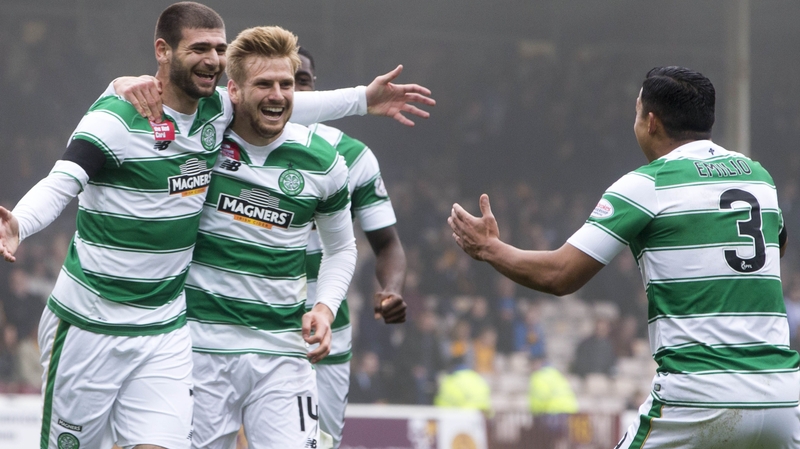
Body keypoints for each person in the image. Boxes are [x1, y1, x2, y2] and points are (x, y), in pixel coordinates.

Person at [0, 3, 433, 448]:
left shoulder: (222, 117)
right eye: (199, 48)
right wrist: (20, 224)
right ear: (163, 51)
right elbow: (63, 180)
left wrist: (362, 99)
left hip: (170, 330)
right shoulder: (120, 118)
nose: (211, 58)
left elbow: (280, 100)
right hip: (95, 323)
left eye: (218, 49)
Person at [449, 66, 800, 448]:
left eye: (636, 113)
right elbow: (774, 248)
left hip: (699, 398)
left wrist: (490, 249)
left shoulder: (645, 185)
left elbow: (560, 275)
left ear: (651, 122)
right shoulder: (758, 177)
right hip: (781, 397)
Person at [184, 26, 356, 449]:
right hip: (199, 347)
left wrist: (326, 308)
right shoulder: (201, 141)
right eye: (263, 84)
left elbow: (342, 248)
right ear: (234, 91)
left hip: (283, 351)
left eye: (285, 83)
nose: (277, 94)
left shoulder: (323, 162)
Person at [295, 45, 408, 449]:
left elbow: (388, 244)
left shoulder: (353, 157)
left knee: (321, 442)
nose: (290, 90)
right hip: (241, 322)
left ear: (316, 88)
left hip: (325, 332)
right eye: (278, 80)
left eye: (301, 80)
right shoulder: (225, 143)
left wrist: (390, 289)